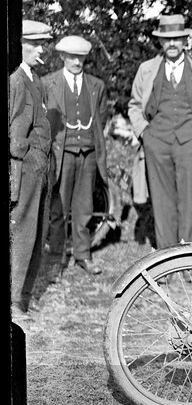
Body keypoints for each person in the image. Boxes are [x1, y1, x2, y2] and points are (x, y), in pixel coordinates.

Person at [128, 13, 192, 249]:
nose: (172, 44)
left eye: (177, 38)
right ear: (160, 42)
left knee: (188, 202)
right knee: (161, 202)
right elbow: (134, 106)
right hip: (157, 144)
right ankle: (165, 260)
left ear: (185, 40)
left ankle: (187, 260)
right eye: (166, 39)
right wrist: (145, 134)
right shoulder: (146, 70)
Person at [43, 35, 110, 276]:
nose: (76, 61)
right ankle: (55, 258)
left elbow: (101, 117)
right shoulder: (48, 83)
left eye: (80, 57)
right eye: (71, 56)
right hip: (62, 154)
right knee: (58, 208)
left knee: (85, 206)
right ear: (62, 57)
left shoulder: (96, 85)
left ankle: (83, 255)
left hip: (89, 153)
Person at [9, 19, 53, 320]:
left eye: (43, 44)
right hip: (24, 169)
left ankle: (22, 298)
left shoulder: (34, 79)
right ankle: (13, 303)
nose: (42, 50)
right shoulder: (15, 80)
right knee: (22, 232)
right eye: (35, 45)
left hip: (39, 167)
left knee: (36, 233)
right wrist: (20, 158)